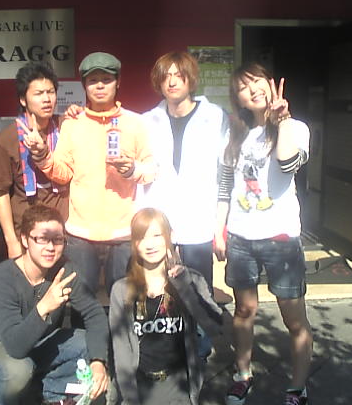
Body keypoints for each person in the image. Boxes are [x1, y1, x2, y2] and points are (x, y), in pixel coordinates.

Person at [214, 63, 312, 405]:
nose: (252, 89)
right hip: (241, 237)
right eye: (243, 87)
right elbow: (224, 186)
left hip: (281, 238)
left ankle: (297, 387)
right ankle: (242, 375)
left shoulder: (295, 128)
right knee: (244, 311)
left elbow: (287, 164)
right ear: (238, 98)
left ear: (271, 84)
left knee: (293, 317)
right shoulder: (234, 134)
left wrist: (281, 120)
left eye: (257, 81)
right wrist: (219, 229)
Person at [21, 52, 154, 295]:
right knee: (81, 300)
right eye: (93, 80)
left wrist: (132, 170)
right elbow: (63, 173)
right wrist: (42, 155)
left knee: (122, 300)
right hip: (80, 233)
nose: (100, 85)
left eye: (107, 79)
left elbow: (151, 169)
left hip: (123, 231)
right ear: (84, 85)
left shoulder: (135, 123)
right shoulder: (72, 123)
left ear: (118, 82)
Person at [0, 204, 109, 405]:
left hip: (41, 343)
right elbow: (15, 346)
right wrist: (44, 307)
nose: (51, 247)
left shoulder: (65, 270)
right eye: (42, 239)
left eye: (57, 240)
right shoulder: (3, 277)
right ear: (25, 239)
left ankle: (42, 393)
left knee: (90, 343)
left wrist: (98, 362)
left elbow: (94, 314)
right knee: (18, 370)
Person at [140, 51, 226, 359]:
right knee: (161, 286)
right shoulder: (147, 120)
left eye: (179, 75)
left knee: (199, 285)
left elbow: (226, 170)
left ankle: (200, 345)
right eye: (166, 76)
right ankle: (168, 343)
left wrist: (220, 224)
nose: (172, 82)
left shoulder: (215, 116)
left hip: (199, 218)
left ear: (191, 79)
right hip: (160, 221)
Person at [109, 208, 224, 405]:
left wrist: (183, 285)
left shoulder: (191, 279)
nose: (150, 244)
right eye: (142, 237)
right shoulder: (121, 290)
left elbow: (215, 325)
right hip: (141, 389)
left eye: (157, 235)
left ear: (170, 236)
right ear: (134, 243)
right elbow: (121, 351)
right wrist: (128, 397)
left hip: (179, 387)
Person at [0, 61, 69, 259]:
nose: (47, 99)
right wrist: (12, 241)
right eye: (38, 93)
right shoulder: (6, 140)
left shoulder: (66, 127)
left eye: (51, 92)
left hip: (64, 233)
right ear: (23, 99)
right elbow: (1, 193)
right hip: (28, 236)